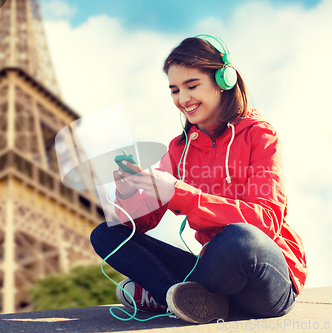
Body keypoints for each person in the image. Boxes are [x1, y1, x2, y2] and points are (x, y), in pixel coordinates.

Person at [90, 35, 308, 324]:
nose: (183, 99)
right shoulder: (179, 150)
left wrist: (180, 193)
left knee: (241, 238)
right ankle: (180, 297)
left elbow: (266, 221)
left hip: (264, 276)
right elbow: (137, 225)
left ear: (223, 81)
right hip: (214, 275)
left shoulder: (259, 134)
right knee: (106, 233)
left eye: (192, 86)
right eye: (174, 90)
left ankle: (164, 295)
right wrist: (129, 192)